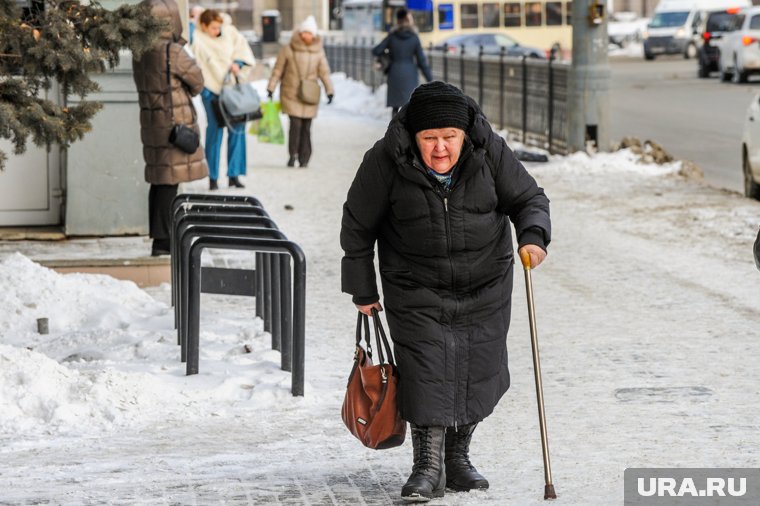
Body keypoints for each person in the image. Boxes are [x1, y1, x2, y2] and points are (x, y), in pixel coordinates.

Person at [340, 81, 551, 502]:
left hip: (486, 284)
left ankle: (457, 457)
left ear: (464, 135)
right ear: (413, 137)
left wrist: (533, 237)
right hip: (414, 286)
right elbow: (357, 227)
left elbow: (529, 198)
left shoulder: (489, 152)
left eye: (449, 138)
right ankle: (427, 466)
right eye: (430, 139)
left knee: (480, 371)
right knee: (425, 369)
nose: (440, 149)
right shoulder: (385, 160)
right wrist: (362, 289)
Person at [132, 0, 208, 256]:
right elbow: (197, 82)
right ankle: (164, 242)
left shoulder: (140, 51)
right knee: (169, 183)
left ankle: (159, 239)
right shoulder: (172, 52)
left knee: (159, 181)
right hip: (175, 126)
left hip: (153, 123)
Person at [191, 9, 256, 190]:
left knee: (237, 130)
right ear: (203, 26)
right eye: (213, 28)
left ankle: (234, 175)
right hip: (211, 92)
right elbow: (193, 63)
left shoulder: (230, 32)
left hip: (232, 91)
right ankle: (212, 177)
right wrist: (204, 91)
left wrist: (239, 63)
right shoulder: (196, 37)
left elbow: (242, 50)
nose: (217, 30)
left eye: (219, 26)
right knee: (215, 132)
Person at [266, 16, 334, 168]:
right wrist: (271, 87)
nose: (306, 35)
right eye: (304, 32)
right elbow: (278, 70)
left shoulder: (319, 52)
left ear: (314, 35)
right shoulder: (288, 49)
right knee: (295, 125)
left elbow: (324, 73)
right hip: (291, 93)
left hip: (309, 94)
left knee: (306, 127)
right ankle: (293, 155)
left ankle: (305, 158)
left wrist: (330, 90)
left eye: (309, 33)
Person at [372, 8, 432, 117]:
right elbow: (422, 61)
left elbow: (376, 50)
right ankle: (408, 131)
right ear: (408, 19)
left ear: (397, 20)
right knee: (409, 106)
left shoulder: (392, 36)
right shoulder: (414, 38)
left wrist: (387, 55)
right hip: (410, 74)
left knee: (395, 107)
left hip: (394, 72)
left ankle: (394, 130)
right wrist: (430, 79)